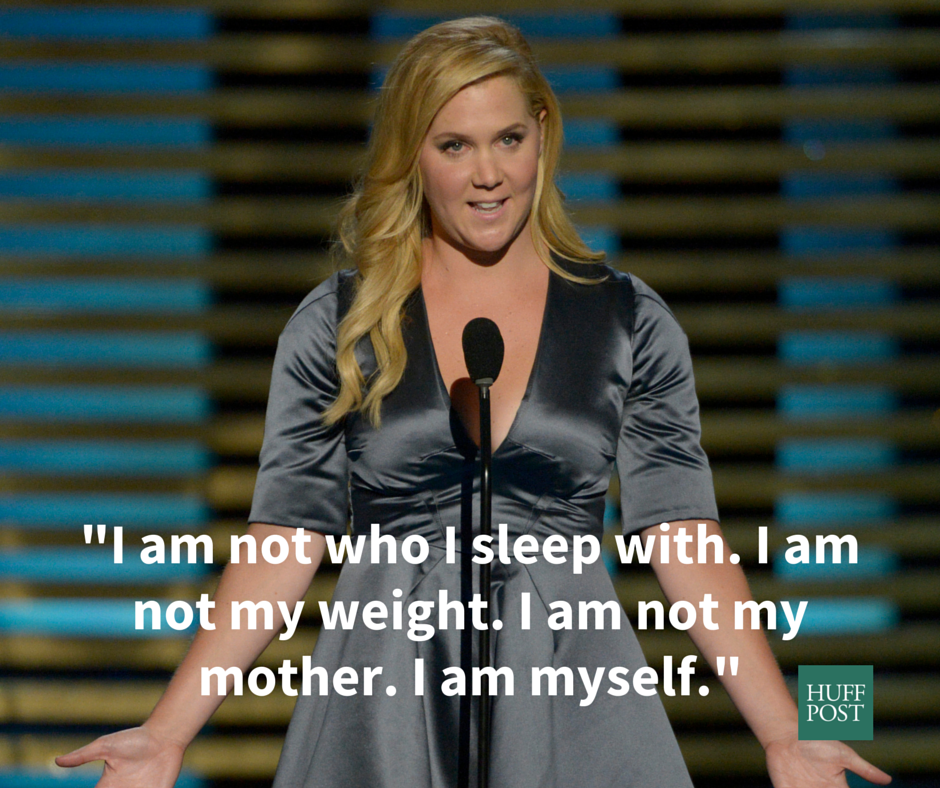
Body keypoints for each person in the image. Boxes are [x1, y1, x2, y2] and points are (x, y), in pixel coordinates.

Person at [57, 16, 892, 788]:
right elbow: (284, 539)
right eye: (454, 145)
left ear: (543, 136)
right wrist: (167, 732)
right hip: (385, 690)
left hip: (567, 679)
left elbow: (684, 535)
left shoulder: (626, 319)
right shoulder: (339, 323)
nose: (488, 174)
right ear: (413, 156)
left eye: (508, 139)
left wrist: (785, 730)